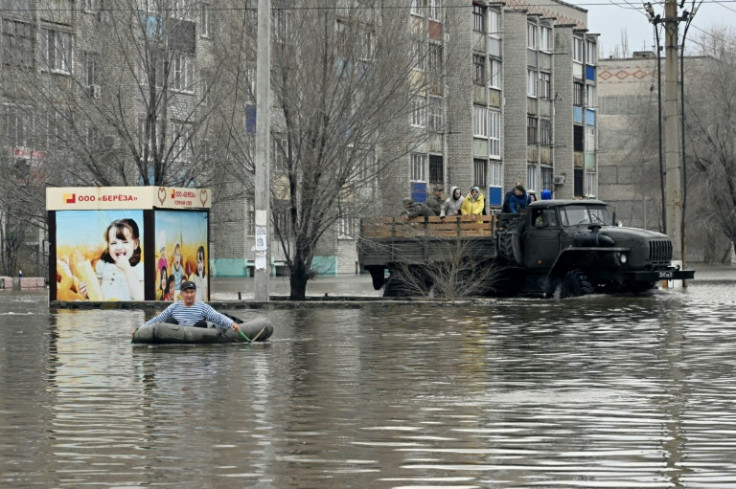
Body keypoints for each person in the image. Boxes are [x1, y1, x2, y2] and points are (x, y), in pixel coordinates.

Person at [143, 281, 241, 333]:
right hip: (176, 335)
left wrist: (231, 324)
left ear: (195, 293)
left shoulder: (203, 307)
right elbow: (158, 319)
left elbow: (217, 316)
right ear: (181, 293)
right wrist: (140, 329)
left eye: (192, 292)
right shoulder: (174, 307)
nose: (189, 295)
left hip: (196, 335)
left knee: (202, 324)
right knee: (170, 321)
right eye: (187, 292)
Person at [94, 218, 144, 300]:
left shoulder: (139, 268)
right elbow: (96, 295)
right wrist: (86, 292)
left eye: (125, 242)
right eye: (113, 243)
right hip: (105, 311)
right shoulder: (103, 265)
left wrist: (127, 269)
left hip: (128, 312)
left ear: (135, 244)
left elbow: (141, 298)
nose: (119, 247)